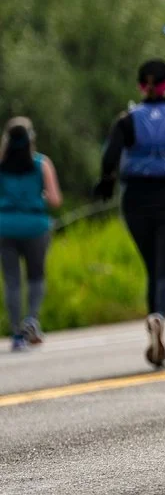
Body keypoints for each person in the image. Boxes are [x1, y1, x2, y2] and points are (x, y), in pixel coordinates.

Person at [94, 59, 165, 367]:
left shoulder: (126, 120)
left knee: (151, 266)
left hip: (136, 198)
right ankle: (159, 317)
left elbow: (109, 158)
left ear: (140, 86)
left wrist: (106, 182)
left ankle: (154, 325)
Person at [0, 118, 62, 351]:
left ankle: (16, 334)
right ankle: (31, 319)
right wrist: (38, 198)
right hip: (35, 227)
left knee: (12, 282)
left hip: (4, 227)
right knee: (36, 277)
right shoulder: (41, 163)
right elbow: (55, 199)